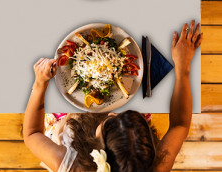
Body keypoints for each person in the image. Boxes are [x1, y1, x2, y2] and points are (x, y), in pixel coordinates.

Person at [23, 20, 202, 171]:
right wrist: (183, 67)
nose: (112, 113)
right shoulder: (155, 167)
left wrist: (40, 84)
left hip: (70, 123)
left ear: (98, 151)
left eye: (111, 121)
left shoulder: (73, 165)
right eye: (123, 115)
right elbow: (180, 126)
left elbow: (31, 134)